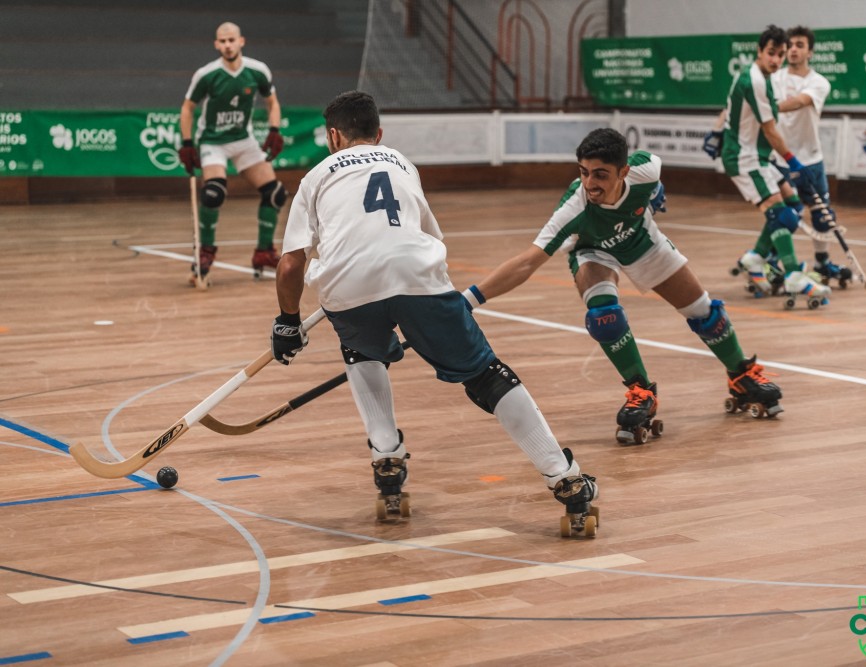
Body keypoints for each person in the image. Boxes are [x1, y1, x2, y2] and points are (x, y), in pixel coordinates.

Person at [270, 91, 599, 536]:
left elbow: (291, 264)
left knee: (361, 348)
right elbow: (422, 236)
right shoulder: (403, 163)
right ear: (379, 134)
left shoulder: (315, 175)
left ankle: (386, 456)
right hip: (417, 275)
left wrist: (288, 321)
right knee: (485, 375)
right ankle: (566, 479)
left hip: (346, 287)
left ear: (333, 137)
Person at [462, 127, 784, 442]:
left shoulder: (646, 170)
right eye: (584, 172)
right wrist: (467, 301)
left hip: (643, 243)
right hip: (594, 252)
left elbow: (656, 176)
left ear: (624, 172)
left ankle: (741, 375)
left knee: (704, 312)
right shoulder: (575, 207)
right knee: (605, 317)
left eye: (600, 174)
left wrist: (657, 194)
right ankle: (641, 390)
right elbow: (527, 261)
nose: (590, 183)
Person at [713, 24, 832, 304]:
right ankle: (793, 275)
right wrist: (793, 161)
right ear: (759, 51)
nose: (777, 59)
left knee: (792, 209)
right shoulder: (754, 81)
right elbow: (769, 129)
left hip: (759, 156)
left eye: (780, 54)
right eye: (771, 53)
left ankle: (755, 259)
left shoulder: (765, 76)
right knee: (781, 215)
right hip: (745, 158)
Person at [179, 21, 287, 284]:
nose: (227, 45)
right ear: (217, 45)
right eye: (222, 41)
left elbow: (272, 102)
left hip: (243, 139)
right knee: (214, 193)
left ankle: (263, 252)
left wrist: (274, 129)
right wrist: (187, 143)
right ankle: (205, 252)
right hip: (214, 140)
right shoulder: (206, 74)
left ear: (241, 41)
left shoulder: (257, 70)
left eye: (231, 40)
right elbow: (187, 108)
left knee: (275, 193)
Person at [770, 25, 851, 287]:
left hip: (810, 159)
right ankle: (771, 260)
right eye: (790, 45)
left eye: (800, 45)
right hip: (781, 158)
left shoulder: (818, 82)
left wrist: (767, 108)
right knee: (786, 214)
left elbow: (799, 102)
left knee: (822, 215)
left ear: (810, 52)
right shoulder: (774, 78)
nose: (793, 49)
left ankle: (821, 262)